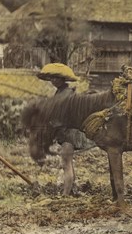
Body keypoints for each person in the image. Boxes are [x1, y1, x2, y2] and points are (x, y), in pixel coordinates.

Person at [37, 63, 94, 196]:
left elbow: (62, 116)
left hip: (69, 133)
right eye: (51, 78)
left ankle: (65, 194)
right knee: (67, 163)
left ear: (63, 79)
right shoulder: (61, 92)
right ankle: (70, 190)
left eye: (56, 78)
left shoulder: (66, 94)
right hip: (65, 132)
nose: (53, 81)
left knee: (66, 164)